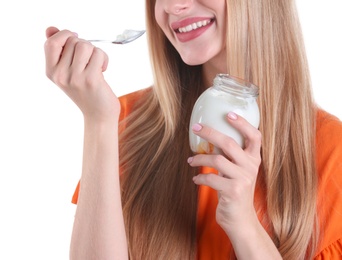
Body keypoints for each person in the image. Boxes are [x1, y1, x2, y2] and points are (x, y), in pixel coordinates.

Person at [44, 0, 342, 259]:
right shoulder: (123, 120)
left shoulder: (332, 150)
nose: (174, 6)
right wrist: (98, 123)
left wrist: (244, 225)